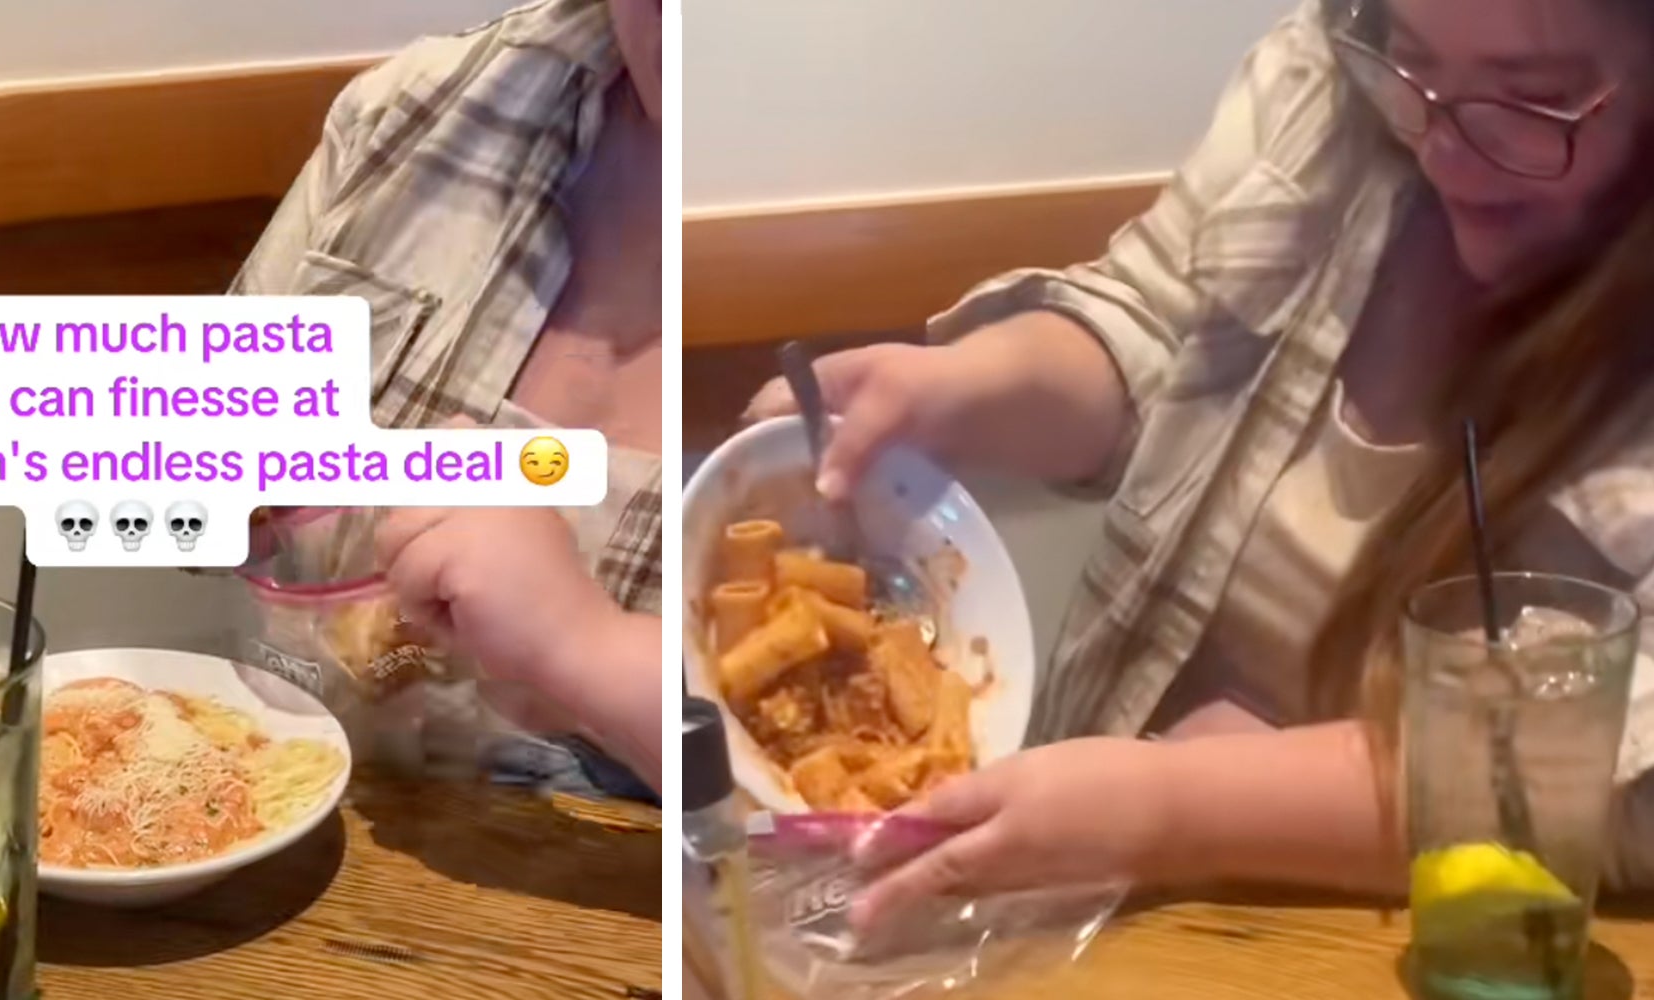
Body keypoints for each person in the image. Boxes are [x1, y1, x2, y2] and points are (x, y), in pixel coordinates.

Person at [743, 0, 1654, 920]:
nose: (1445, 147)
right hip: (1119, 883)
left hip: (1441, 940)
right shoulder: (1331, 69)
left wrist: (1180, 803)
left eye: (1533, 99)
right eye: (1413, 63)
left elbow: (1609, 777)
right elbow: (1154, 321)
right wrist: (962, 386)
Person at [231, 0, 662, 796]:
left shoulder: (871, 298)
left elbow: (875, 804)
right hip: (320, 807)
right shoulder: (413, 111)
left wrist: (584, 649)